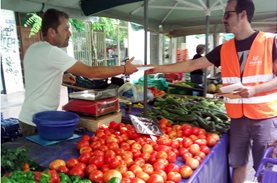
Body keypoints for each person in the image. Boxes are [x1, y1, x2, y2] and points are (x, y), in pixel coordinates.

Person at [147, 0, 277, 183]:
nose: (224, 19)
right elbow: (193, 64)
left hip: (264, 117)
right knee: (238, 164)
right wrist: (157, 68)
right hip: (238, 119)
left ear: (243, 14)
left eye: (228, 14)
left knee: (264, 167)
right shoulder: (225, 48)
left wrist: (255, 89)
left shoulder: (270, 42)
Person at [19, 8, 138, 136]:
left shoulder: (35, 48)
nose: (69, 33)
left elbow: (38, 73)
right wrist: (124, 69)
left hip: (31, 117)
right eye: (65, 29)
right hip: (38, 122)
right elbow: (91, 72)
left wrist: (61, 77)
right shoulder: (51, 52)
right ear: (52, 32)